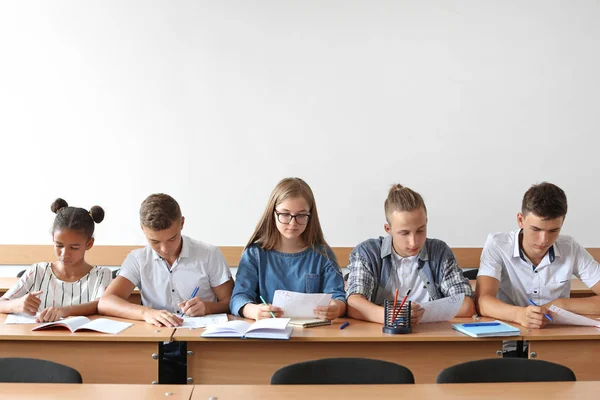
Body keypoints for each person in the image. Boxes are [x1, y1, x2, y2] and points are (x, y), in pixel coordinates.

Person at [476, 182, 600, 330]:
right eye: (536, 229)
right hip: (511, 335)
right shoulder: (497, 244)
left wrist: (559, 304)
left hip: (557, 336)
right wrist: (519, 315)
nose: (544, 240)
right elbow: (482, 302)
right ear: (521, 220)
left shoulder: (570, 247)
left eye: (553, 231)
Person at [346, 184, 475, 325]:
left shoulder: (440, 252)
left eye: (420, 231)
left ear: (426, 222)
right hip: (381, 338)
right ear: (388, 229)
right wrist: (392, 316)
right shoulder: (367, 253)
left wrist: (416, 314)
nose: (414, 242)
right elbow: (353, 304)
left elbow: (466, 305)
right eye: (404, 233)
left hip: (431, 337)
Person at [98, 193, 233, 327]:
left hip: (200, 337)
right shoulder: (138, 259)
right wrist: (146, 313)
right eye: (155, 241)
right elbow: (106, 302)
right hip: (155, 338)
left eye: (172, 239)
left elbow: (231, 302)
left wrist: (207, 307)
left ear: (182, 223)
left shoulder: (209, 255)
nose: (165, 249)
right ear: (142, 229)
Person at [230, 177, 346, 321]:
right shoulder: (255, 253)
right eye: (285, 214)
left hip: (313, 336)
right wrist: (253, 311)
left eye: (301, 215)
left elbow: (338, 296)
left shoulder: (323, 254)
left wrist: (336, 308)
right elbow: (238, 298)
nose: (293, 223)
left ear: (310, 215)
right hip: (268, 334)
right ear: (273, 213)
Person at [0, 198, 111, 322]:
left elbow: (100, 305)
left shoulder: (101, 275)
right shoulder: (37, 271)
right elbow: (2, 303)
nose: (64, 254)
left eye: (74, 248)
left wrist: (64, 310)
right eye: (59, 245)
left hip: (82, 340)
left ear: (89, 244)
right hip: (39, 340)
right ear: (53, 238)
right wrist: (18, 304)